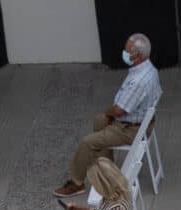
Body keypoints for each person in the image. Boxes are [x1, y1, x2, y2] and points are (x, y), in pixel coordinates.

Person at [56, 34, 160, 195]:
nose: (124, 53)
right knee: (99, 121)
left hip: (131, 129)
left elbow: (119, 110)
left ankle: (77, 183)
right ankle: (107, 169)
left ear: (137, 55)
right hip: (139, 122)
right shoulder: (148, 69)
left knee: (87, 142)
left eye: (127, 51)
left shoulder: (138, 81)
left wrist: (108, 113)